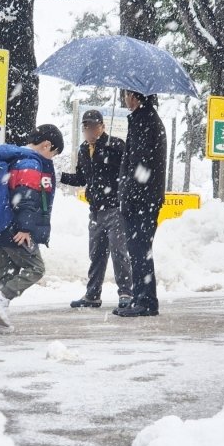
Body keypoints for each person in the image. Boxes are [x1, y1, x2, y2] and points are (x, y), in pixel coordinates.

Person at [0, 124, 64, 334]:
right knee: (36, 268)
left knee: (6, 273)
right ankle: (2, 297)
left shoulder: (12, 158)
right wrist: (25, 228)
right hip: (17, 229)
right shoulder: (31, 162)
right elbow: (26, 196)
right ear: (47, 145)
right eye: (53, 153)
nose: (51, 158)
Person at [60, 110, 132, 309]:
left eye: (94, 126)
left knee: (119, 252)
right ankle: (92, 295)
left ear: (102, 126)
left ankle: (126, 293)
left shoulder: (116, 145)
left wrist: (107, 151)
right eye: (86, 127)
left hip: (115, 209)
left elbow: (129, 171)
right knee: (96, 253)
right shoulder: (84, 149)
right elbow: (82, 178)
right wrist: (61, 176)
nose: (90, 131)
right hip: (95, 211)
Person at [115, 91, 168, 318]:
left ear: (135, 97)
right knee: (138, 251)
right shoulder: (143, 119)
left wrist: (128, 194)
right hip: (144, 197)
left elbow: (141, 164)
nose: (124, 98)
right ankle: (141, 298)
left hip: (142, 199)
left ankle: (146, 301)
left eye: (126, 94)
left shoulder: (145, 122)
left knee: (140, 251)